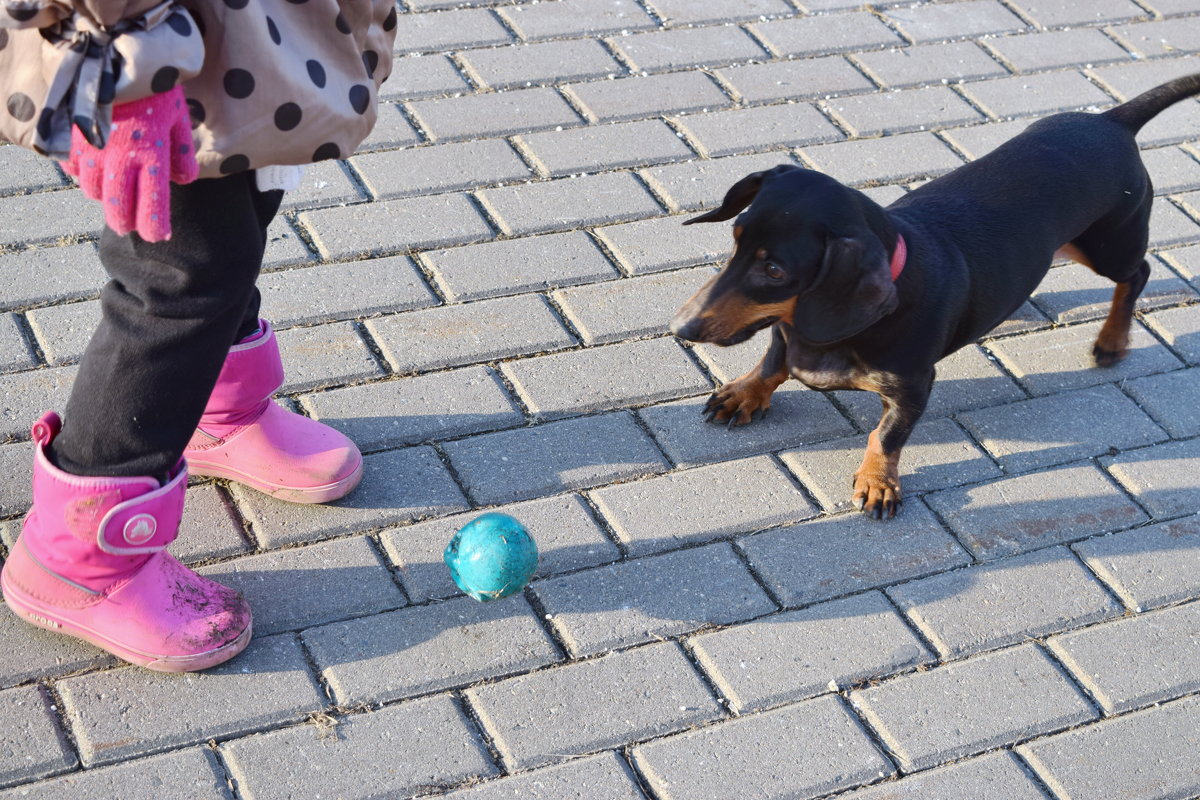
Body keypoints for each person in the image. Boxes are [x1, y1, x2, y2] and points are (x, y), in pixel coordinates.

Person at [0, 1, 396, 672]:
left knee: (244, 203)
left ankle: (216, 410)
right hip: (152, 43)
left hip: (247, 33)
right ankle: (76, 557)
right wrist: (128, 69)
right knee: (180, 272)